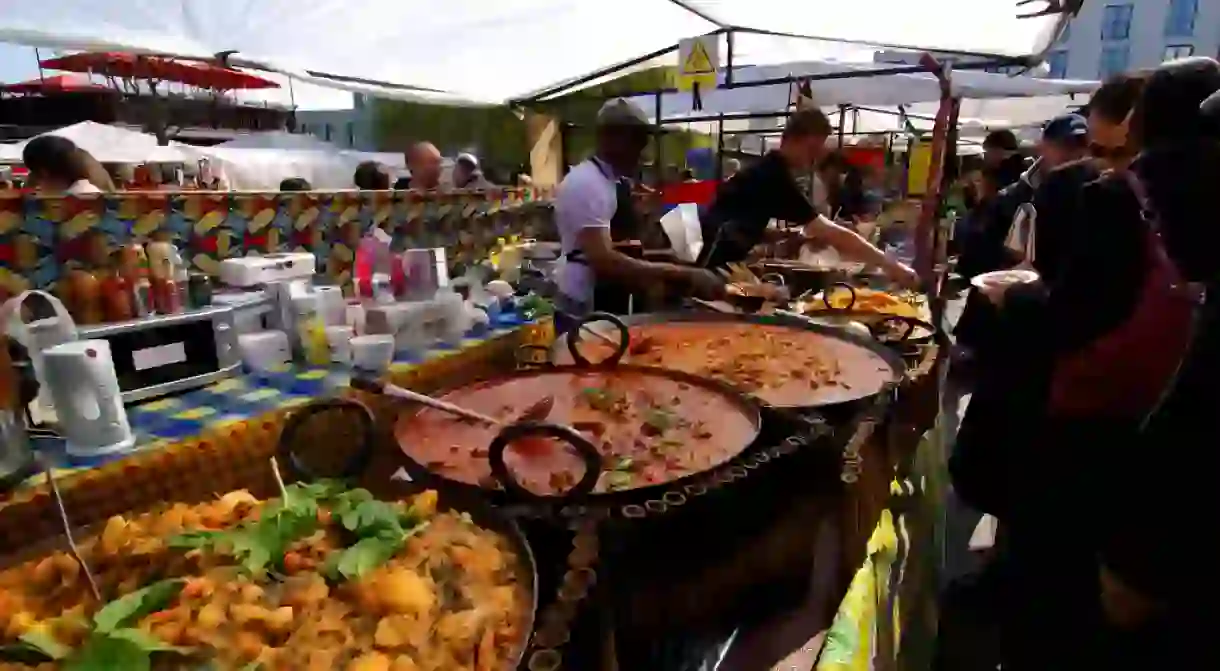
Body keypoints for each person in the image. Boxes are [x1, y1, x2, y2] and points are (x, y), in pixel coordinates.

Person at [553, 98, 724, 328]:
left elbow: (619, 248)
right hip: (582, 308)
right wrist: (680, 274)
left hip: (597, 301)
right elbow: (605, 260)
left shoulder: (607, 181)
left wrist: (667, 260)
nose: (642, 151)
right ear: (612, 139)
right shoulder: (587, 183)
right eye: (638, 141)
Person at [697, 109, 917, 286]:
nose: (814, 158)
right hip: (713, 265)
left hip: (726, 263)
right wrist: (893, 266)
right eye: (812, 149)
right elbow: (831, 232)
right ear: (792, 140)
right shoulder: (773, 175)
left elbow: (743, 218)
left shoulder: (768, 171)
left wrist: (785, 235)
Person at [21, 136, 103, 195]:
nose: (38, 187)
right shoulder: (92, 194)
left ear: (44, 173)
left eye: (35, 174)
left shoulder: (67, 203)